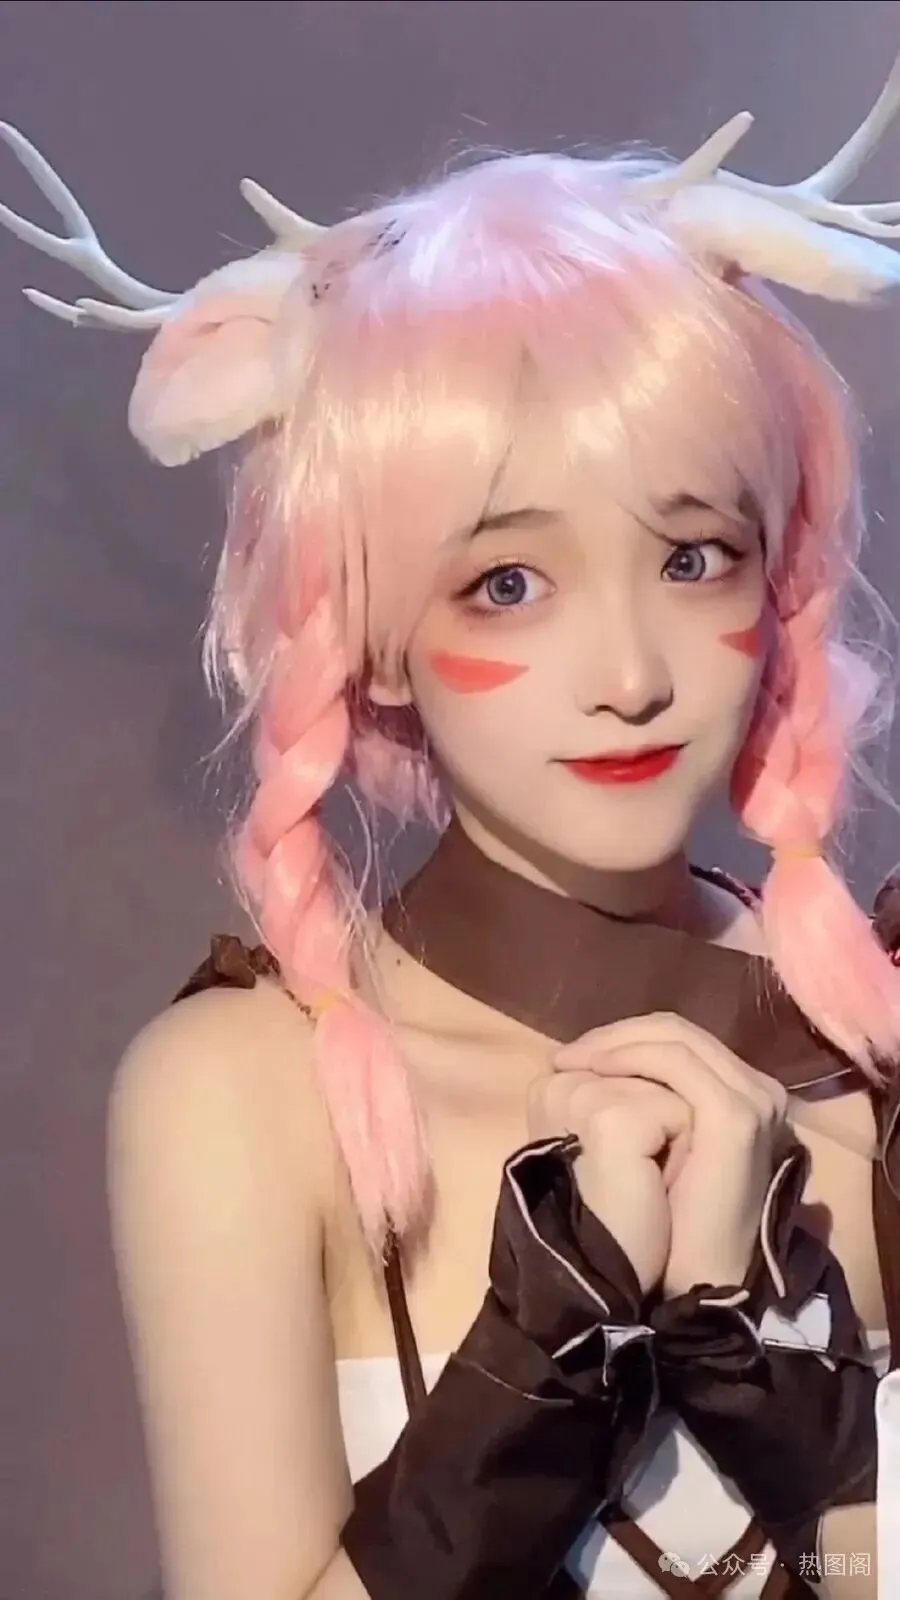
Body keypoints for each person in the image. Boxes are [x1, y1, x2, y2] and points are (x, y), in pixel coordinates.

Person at [4, 56, 900, 1600]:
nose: (630, 677)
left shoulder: (874, 1044)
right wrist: (537, 1370)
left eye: (693, 557)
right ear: (371, 637)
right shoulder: (242, 1097)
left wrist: (804, 1431)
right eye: (508, 583)